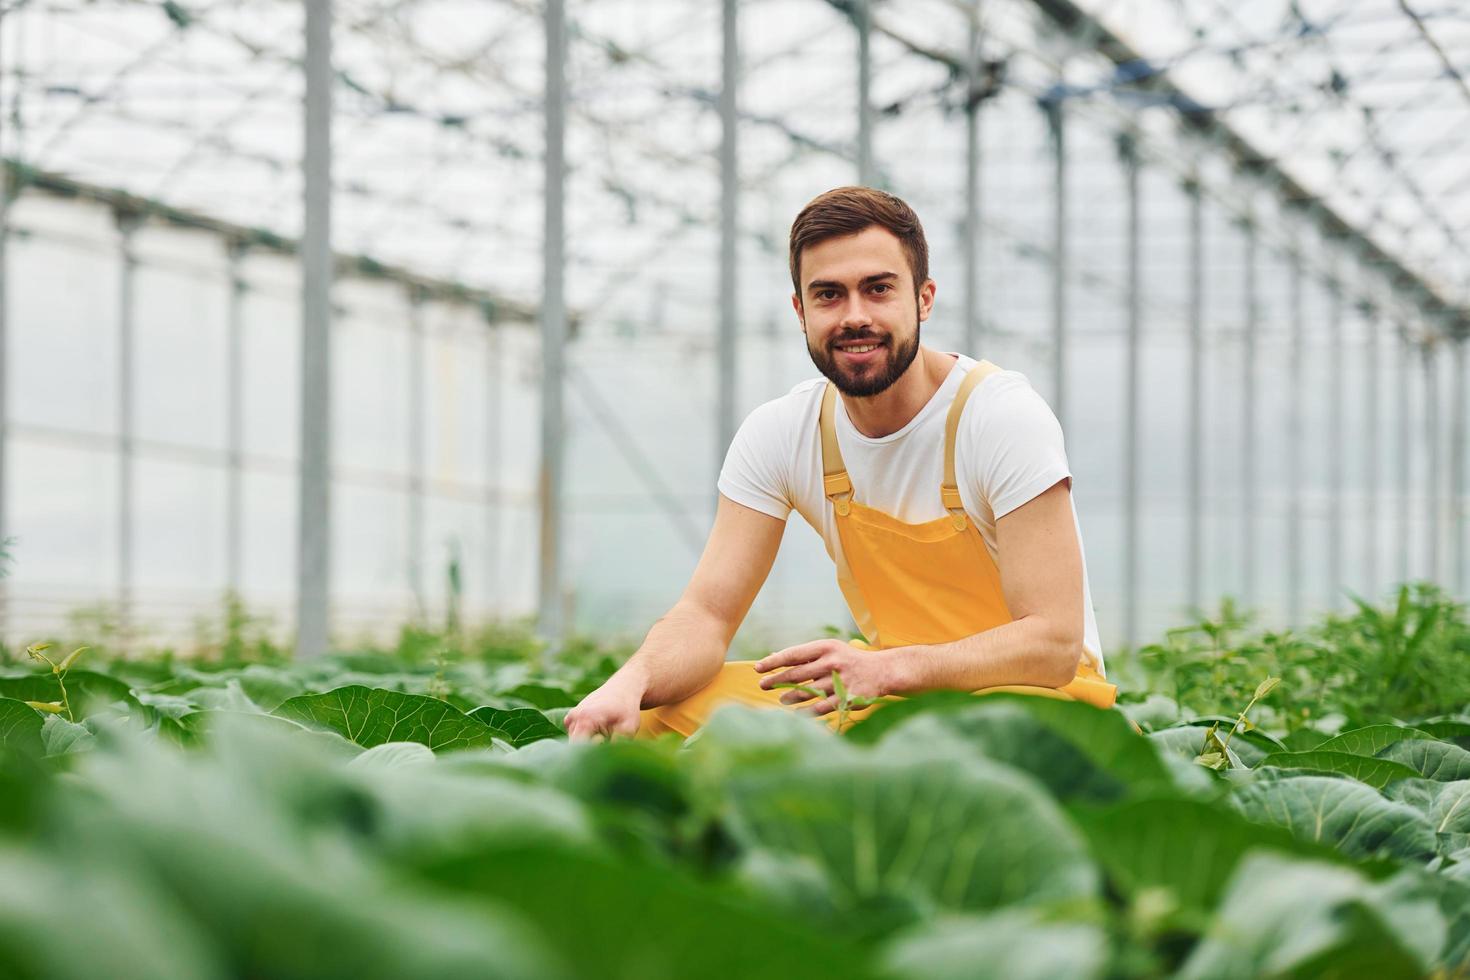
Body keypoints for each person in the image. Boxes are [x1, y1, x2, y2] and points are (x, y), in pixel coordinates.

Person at [564, 186, 1116, 741]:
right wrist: (630, 681)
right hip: (892, 695)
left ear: (923, 299)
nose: (855, 317)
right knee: (657, 717)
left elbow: (1052, 644)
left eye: (878, 290)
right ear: (800, 311)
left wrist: (888, 668)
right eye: (829, 295)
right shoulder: (782, 432)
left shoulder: (998, 416)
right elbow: (708, 615)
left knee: (951, 744)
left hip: (1036, 704)